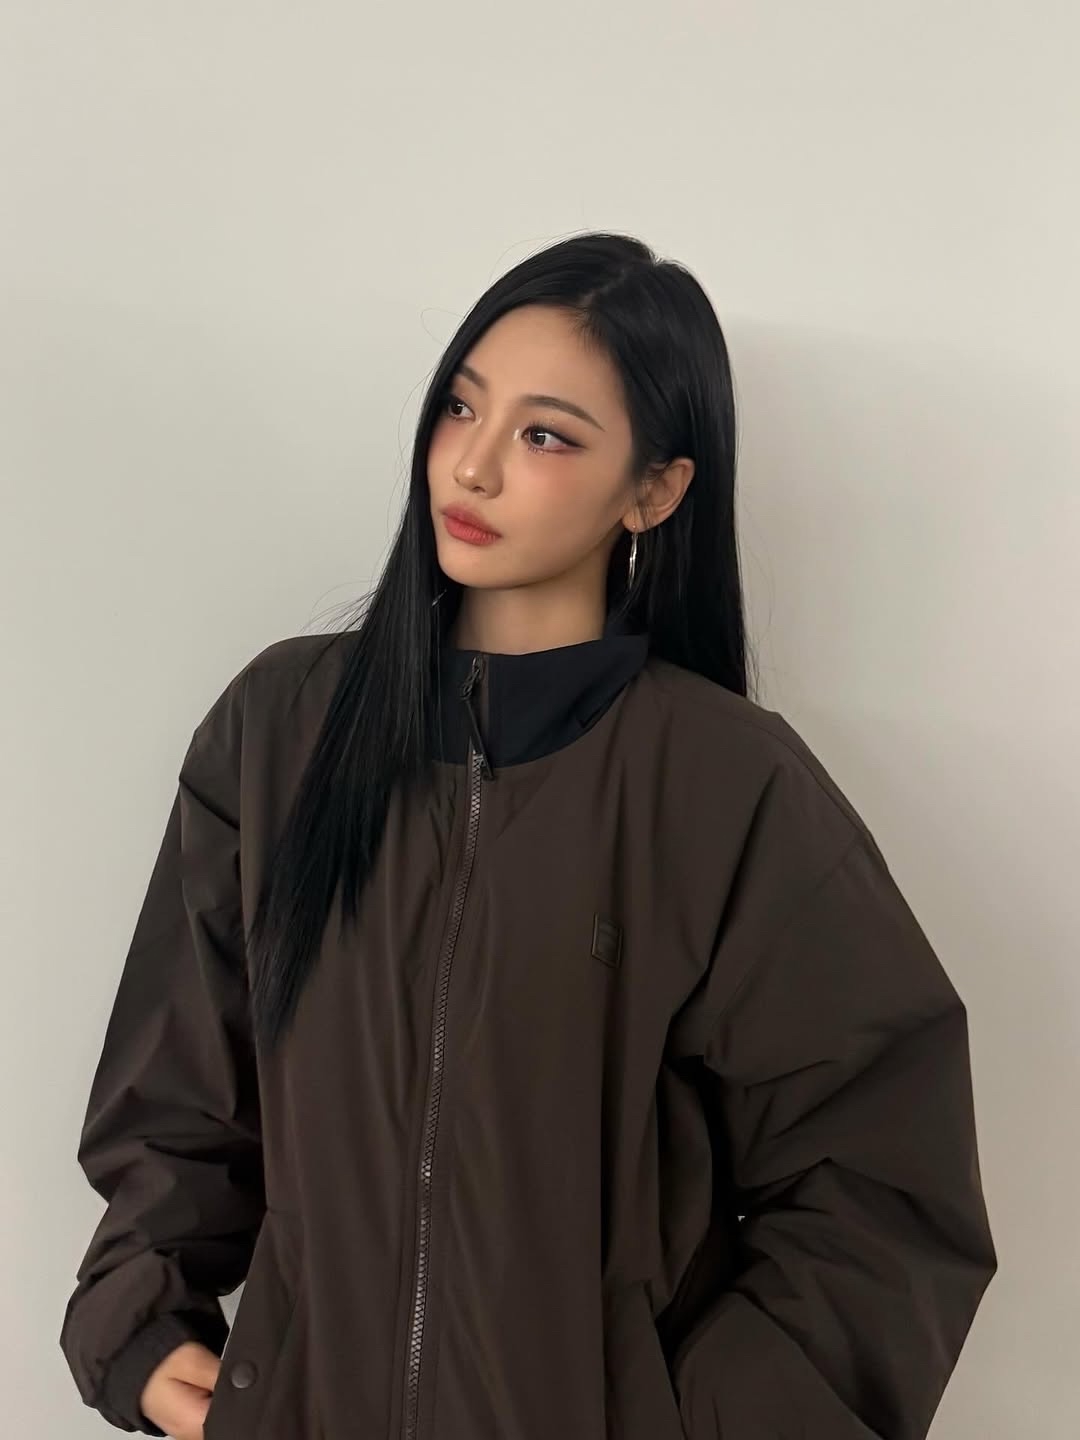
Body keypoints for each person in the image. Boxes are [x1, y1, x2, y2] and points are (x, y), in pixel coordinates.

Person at [59, 231, 996, 1440]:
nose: (475, 465)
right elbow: (180, 1087)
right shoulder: (280, 733)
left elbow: (880, 1187)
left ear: (654, 490)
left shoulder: (726, 786)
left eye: (547, 435)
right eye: (462, 407)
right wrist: (143, 1327)